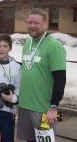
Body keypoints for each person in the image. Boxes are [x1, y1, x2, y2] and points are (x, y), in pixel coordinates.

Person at [17, 8, 66, 142]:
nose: (32, 26)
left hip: (44, 109)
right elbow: (29, 69)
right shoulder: (27, 43)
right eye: (29, 22)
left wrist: (54, 107)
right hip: (25, 106)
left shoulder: (54, 47)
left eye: (36, 23)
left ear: (45, 24)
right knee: (30, 140)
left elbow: (60, 80)